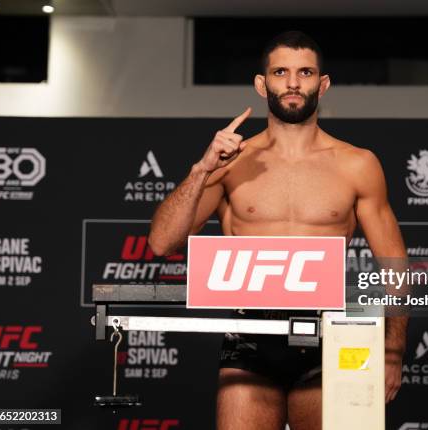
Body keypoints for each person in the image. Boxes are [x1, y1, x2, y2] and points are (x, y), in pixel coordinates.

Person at [148, 30, 407, 430]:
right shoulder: (230, 162)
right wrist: (202, 170)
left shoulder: (358, 164)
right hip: (250, 336)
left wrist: (394, 349)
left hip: (333, 334)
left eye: (305, 72)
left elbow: (394, 265)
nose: (292, 83)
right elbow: (162, 242)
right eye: (280, 72)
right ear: (261, 83)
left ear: (322, 84)